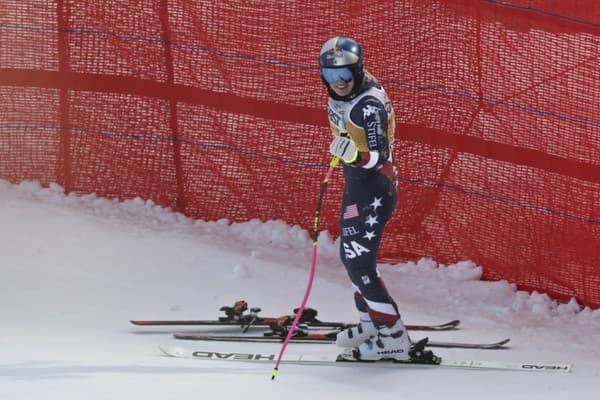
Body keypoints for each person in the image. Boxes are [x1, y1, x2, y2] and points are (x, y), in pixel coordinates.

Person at [319, 36, 433, 362]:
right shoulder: (344, 96)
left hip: (373, 190)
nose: (338, 83)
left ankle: (393, 337)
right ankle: (371, 322)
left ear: (358, 70)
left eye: (345, 75)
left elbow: (379, 155)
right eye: (330, 76)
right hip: (358, 187)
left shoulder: (367, 104)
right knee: (350, 257)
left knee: (359, 263)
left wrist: (353, 154)